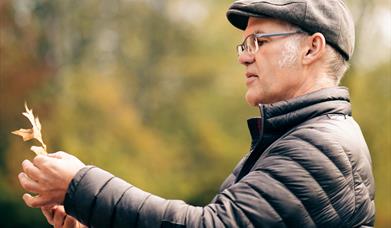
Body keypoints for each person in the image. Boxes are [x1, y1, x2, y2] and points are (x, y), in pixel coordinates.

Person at [18, 0, 376, 227]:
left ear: (312, 48)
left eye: (259, 42)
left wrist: (82, 188)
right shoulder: (295, 138)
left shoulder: (320, 147)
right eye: (244, 44)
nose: (244, 56)